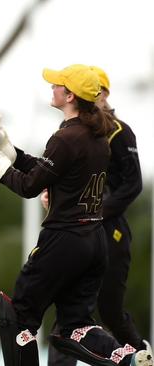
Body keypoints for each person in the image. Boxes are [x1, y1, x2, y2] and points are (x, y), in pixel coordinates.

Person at [0, 64, 152, 366]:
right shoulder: (96, 137)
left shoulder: (67, 138)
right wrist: (11, 152)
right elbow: (51, 170)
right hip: (94, 242)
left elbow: (30, 186)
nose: (52, 88)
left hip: (63, 240)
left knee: (17, 317)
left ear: (69, 95)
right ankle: (129, 359)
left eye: (57, 85)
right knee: (75, 327)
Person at [46, 66, 149, 366]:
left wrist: (96, 213)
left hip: (109, 230)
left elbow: (133, 185)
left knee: (110, 310)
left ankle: (140, 356)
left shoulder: (119, 130)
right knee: (69, 308)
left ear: (103, 94)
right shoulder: (75, 132)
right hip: (77, 232)